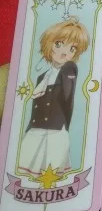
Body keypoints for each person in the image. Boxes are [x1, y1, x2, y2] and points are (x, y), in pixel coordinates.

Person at [18, 18, 90, 176]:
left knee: (52, 172)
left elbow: (67, 97)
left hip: (55, 130)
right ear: (48, 44)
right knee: (26, 169)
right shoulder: (42, 77)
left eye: (72, 49)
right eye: (59, 44)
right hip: (35, 129)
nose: (64, 52)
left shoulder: (69, 69)